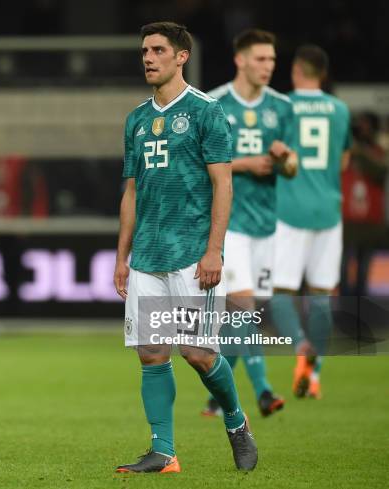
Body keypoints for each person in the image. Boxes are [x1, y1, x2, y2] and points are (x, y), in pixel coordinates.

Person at [113, 21, 257, 473]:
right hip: (147, 258)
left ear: (181, 57)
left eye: (157, 50)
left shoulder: (204, 111)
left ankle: (236, 422)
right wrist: (122, 256)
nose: (148, 58)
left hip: (192, 254)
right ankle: (163, 451)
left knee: (197, 354)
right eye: (143, 51)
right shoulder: (136, 119)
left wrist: (214, 250)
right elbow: (131, 193)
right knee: (152, 353)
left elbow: (223, 183)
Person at [203, 29, 297, 418]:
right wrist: (244, 164)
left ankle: (215, 396)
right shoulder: (215, 103)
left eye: (272, 60)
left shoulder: (282, 106)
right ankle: (263, 391)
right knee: (241, 306)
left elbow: (292, 169)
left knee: (244, 318)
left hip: (265, 224)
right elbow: (199, 163)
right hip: (230, 223)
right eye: (260, 59)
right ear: (240, 60)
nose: (268, 66)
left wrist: (283, 157)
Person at [272, 45, 352, 399]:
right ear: (324, 73)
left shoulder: (282, 106)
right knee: (321, 295)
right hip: (329, 211)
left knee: (280, 292)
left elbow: (274, 157)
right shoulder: (340, 110)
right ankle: (313, 374)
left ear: (296, 70)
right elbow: (344, 162)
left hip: (290, 210)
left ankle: (300, 345)